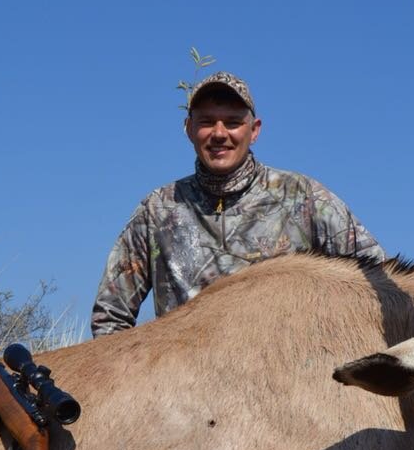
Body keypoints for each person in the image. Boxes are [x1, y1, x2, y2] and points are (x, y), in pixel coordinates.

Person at [91, 71, 385, 337]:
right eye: (206, 122)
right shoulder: (157, 210)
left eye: (232, 123)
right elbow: (110, 318)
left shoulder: (304, 197)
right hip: (184, 387)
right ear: (189, 128)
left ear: (254, 130)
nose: (219, 134)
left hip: (289, 382)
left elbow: (381, 280)